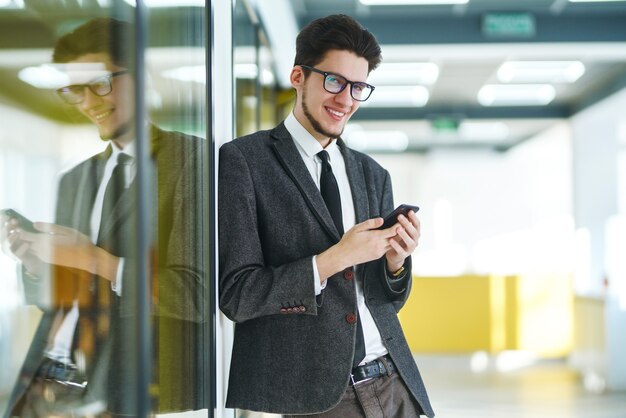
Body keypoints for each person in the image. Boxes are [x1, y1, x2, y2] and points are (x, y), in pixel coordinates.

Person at [219, 14, 434, 418]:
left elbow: (386, 300)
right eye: (333, 81)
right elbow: (238, 294)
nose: (346, 99)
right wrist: (335, 258)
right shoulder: (244, 161)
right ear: (298, 75)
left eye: (358, 87)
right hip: (317, 399)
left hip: (395, 383)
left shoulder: (372, 174)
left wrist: (395, 263)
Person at [1, 17, 207, 417]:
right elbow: (63, 296)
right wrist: (35, 264)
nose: (89, 102)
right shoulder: (75, 179)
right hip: (52, 376)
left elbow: (198, 295)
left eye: (100, 83)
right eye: (74, 90)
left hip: (137, 385)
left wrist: (93, 258)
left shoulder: (193, 162)